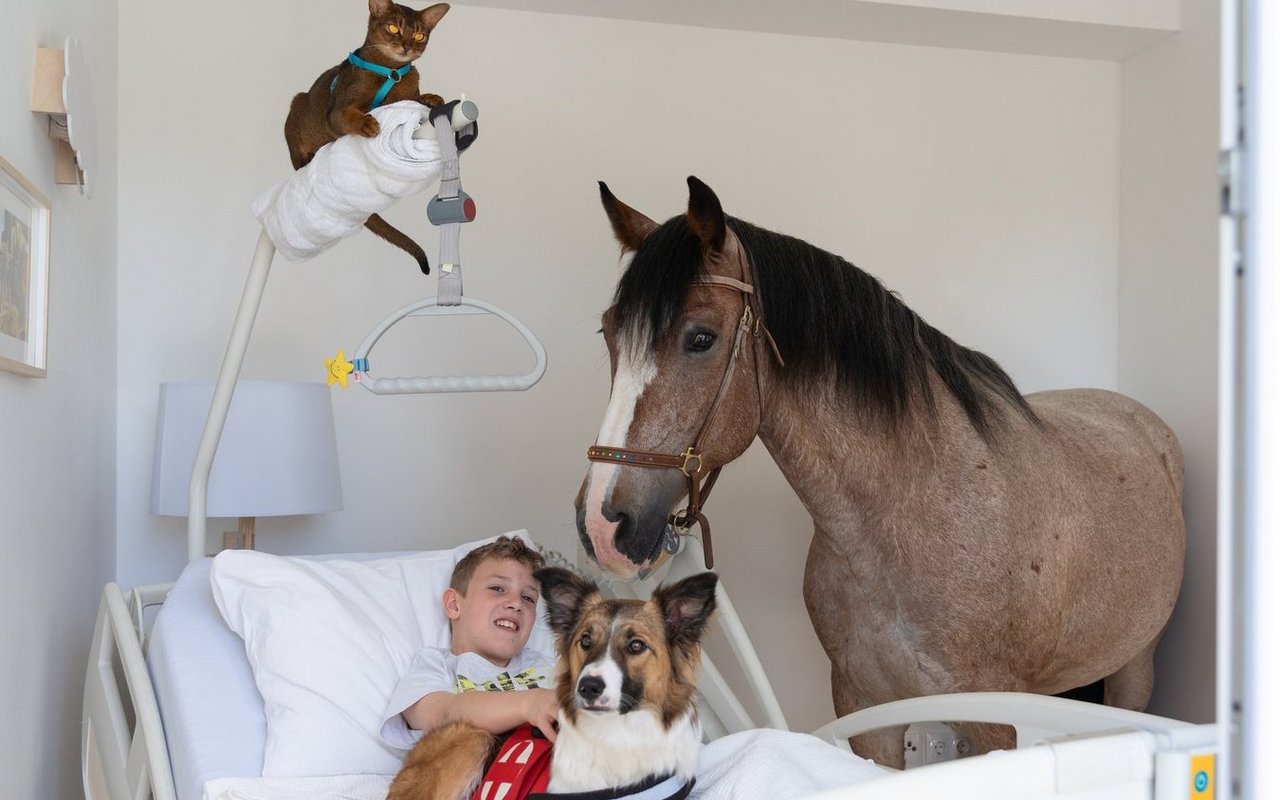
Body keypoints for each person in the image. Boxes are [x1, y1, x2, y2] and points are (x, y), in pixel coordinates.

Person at [380, 536, 560, 750]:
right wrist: (529, 704)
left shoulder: (549, 666)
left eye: (528, 598)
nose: (516, 603)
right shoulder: (436, 665)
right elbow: (442, 715)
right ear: (454, 605)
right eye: (498, 588)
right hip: (487, 774)